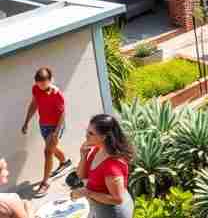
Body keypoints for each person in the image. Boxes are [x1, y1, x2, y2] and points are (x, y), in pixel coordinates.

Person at [71, 114, 134, 218]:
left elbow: (117, 199)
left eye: (91, 133)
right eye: (87, 131)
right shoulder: (96, 150)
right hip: (98, 208)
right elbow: (81, 176)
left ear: (103, 137)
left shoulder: (112, 166)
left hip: (112, 213)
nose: (86, 135)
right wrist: (83, 156)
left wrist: (88, 193)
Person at [21, 66, 70, 195]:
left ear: (50, 80)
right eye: (38, 83)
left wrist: (56, 133)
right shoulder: (36, 89)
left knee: (48, 151)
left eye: (44, 83)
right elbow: (34, 104)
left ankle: (45, 183)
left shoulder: (56, 94)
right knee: (51, 149)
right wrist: (26, 121)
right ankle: (65, 162)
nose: (41, 85)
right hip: (44, 125)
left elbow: (62, 114)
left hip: (56, 125)